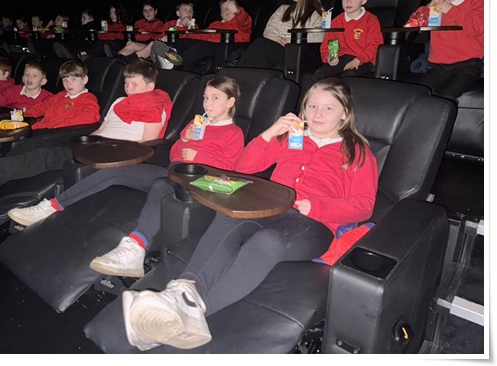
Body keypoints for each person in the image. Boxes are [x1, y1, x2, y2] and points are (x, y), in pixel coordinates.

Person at [119, 77, 379, 351]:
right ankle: (181, 291)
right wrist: (271, 132)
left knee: (268, 241)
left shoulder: (357, 151)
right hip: (269, 206)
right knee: (231, 216)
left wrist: (317, 206)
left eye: (328, 108)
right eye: (312, 106)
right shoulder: (291, 136)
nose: (318, 113)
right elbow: (244, 166)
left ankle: (190, 316)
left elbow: (364, 205)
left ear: (344, 113)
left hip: (314, 224)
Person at [6, 77, 244, 280]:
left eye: (215, 98)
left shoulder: (234, 133)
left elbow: (230, 170)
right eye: (205, 97)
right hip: (173, 171)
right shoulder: (196, 123)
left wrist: (198, 156)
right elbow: (174, 154)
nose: (207, 103)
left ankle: (135, 248)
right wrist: (185, 139)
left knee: (161, 184)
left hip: (199, 182)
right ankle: (52, 205)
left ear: (230, 102)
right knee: (117, 170)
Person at [0, 59, 170, 216]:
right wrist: (84, 141)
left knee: (45, 154)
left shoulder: (154, 106)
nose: (129, 89)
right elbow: (100, 129)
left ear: (150, 86)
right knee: (30, 144)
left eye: (135, 84)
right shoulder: (118, 102)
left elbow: (145, 145)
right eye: (127, 83)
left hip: (113, 153)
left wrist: (99, 149)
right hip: (94, 144)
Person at [408, 0, 483, 100]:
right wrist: (428, 8)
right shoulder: (435, 5)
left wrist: (451, 10)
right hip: (439, 65)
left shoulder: (475, 1)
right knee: (417, 95)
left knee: (446, 97)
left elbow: (478, 28)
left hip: (468, 64)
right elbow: (412, 25)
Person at [300, 0, 383, 94]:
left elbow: (375, 44)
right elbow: (327, 44)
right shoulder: (336, 21)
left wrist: (358, 60)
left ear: (364, 0)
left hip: (364, 60)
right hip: (342, 58)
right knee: (317, 76)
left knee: (347, 78)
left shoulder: (371, 20)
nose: (349, 1)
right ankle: (306, 104)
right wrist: (329, 57)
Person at [236, 0, 325, 70]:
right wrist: (279, 42)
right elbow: (268, 30)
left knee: (261, 45)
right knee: (260, 48)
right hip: (279, 49)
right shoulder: (283, 9)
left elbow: (320, 36)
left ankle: (235, 75)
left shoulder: (320, 13)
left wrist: (291, 41)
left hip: (299, 53)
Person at [173, 0, 253, 68]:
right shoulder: (215, 24)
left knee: (206, 45)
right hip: (211, 47)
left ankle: (175, 63)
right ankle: (171, 57)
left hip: (230, 48)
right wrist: (187, 27)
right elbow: (200, 36)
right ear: (221, 14)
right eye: (224, 9)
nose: (226, 10)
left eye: (230, 8)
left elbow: (245, 21)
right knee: (184, 41)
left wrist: (239, 11)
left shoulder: (240, 24)